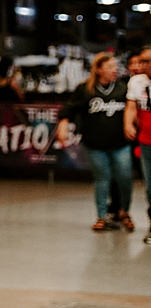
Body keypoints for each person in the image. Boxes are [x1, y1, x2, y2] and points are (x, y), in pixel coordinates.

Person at [57, 48, 135, 231]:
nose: (115, 69)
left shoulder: (124, 88)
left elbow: (133, 108)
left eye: (116, 66)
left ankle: (124, 211)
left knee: (124, 177)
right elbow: (69, 107)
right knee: (102, 178)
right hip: (95, 144)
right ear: (99, 69)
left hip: (120, 143)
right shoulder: (86, 89)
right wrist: (63, 124)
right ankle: (101, 216)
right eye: (110, 66)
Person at [124, 45, 151, 242]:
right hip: (146, 142)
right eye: (141, 61)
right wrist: (128, 123)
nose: (142, 65)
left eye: (147, 62)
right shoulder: (136, 82)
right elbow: (131, 106)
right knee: (150, 186)